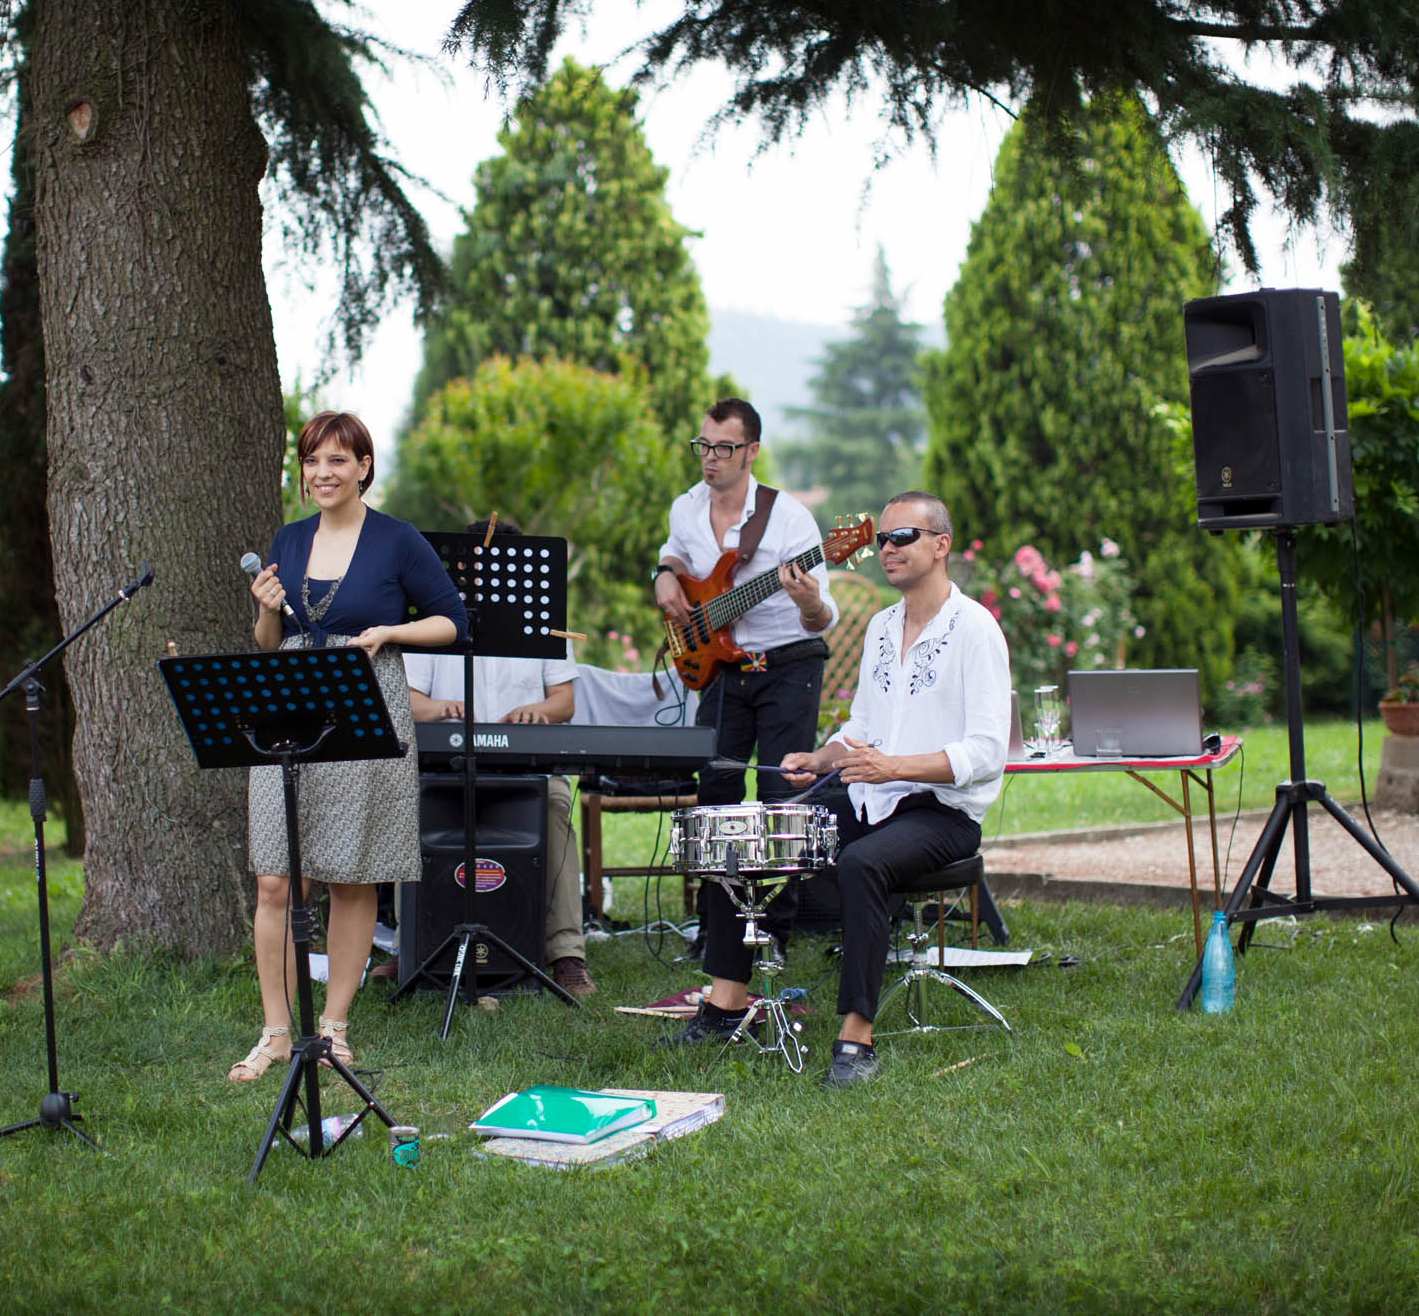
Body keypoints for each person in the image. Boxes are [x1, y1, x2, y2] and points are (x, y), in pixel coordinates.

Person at [657, 491, 1011, 1088]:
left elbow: (984, 754)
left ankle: (855, 1042)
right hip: (873, 796)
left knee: (861, 862)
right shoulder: (880, 627)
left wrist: (891, 766)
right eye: (883, 540)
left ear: (941, 545)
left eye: (904, 538)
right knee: (749, 830)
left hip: (942, 812)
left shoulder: (975, 629)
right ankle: (725, 1005)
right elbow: (863, 732)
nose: (888, 549)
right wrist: (819, 757)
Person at [230, 410, 467, 1081]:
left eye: (337, 460)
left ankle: (333, 1024)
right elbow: (268, 643)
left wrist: (391, 631)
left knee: (350, 873)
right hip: (288, 703)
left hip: (365, 700)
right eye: (311, 461)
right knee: (276, 873)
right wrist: (266, 608)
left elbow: (455, 620)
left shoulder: (396, 540)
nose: (322, 473)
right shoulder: (290, 537)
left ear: (364, 466)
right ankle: (277, 1030)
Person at [652, 398, 838, 960]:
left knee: (781, 796)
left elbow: (822, 616)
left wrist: (807, 600)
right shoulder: (685, 508)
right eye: (703, 446)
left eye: (724, 448)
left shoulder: (790, 520)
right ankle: (716, 930)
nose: (711, 459)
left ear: (752, 452)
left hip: (788, 664)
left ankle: (772, 935)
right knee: (715, 793)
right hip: (722, 668)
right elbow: (676, 555)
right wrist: (663, 575)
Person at [401, 522, 595, 996]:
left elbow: (563, 703)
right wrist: (440, 708)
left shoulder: (546, 625)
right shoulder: (433, 623)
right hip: (443, 766)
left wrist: (537, 711)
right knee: (407, 808)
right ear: (459, 566)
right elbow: (407, 699)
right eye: (473, 562)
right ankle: (408, 949)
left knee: (554, 806)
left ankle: (566, 952)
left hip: (525, 768)